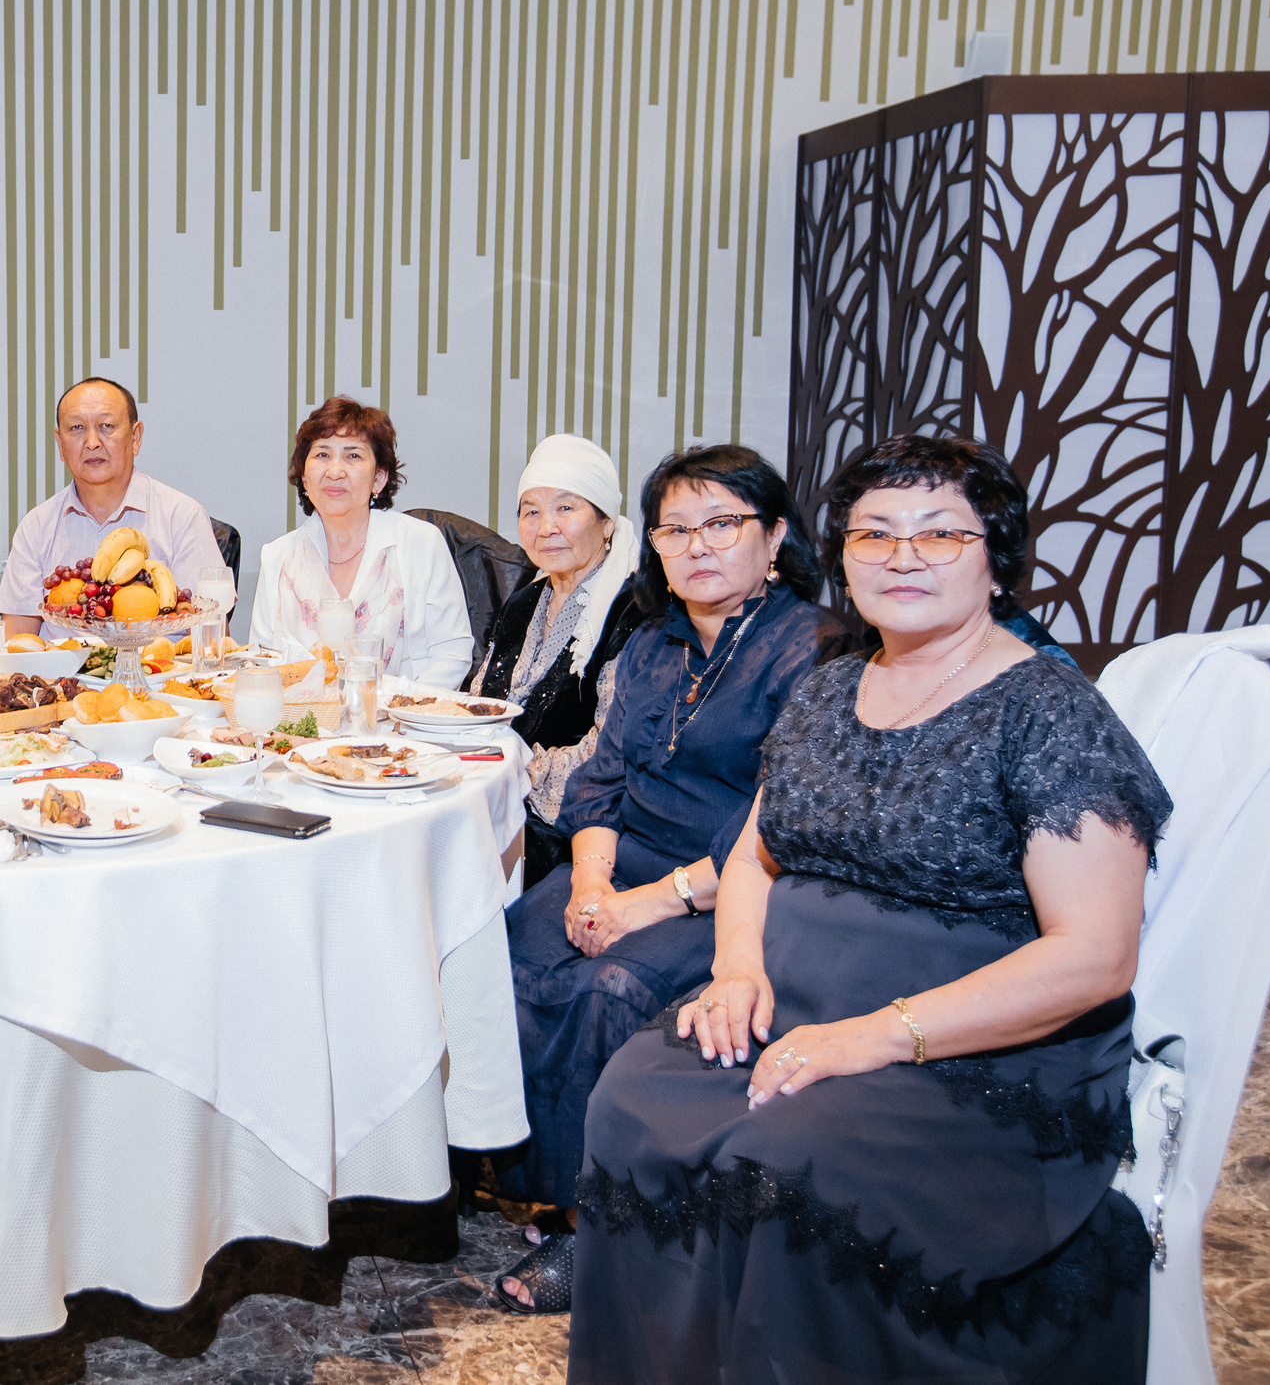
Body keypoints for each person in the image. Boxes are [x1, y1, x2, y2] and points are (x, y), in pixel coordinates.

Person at [570, 435, 1168, 1382]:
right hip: (792, 1005)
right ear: (841, 555)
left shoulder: (1051, 715)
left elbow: (1095, 955)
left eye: (939, 535)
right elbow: (755, 858)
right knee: (632, 1104)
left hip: (973, 1056)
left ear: (996, 558)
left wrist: (879, 1036)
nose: (901, 556)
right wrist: (736, 969)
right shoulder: (830, 686)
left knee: (788, 1156)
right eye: (875, 534)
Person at [491, 444, 848, 1313]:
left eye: (722, 524)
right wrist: (588, 887)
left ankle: (594, 1227)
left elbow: (773, 828)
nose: (697, 546)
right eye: (676, 528)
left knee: (611, 986)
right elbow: (600, 782)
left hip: (731, 888)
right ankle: (522, 1177)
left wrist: (640, 907)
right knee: (499, 951)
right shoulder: (654, 644)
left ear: (773, 540)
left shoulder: (816, 650)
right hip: (621, 869)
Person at [468, 434, 648, 883]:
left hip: (572, 826)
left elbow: (612, 749)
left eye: (565, 508)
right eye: (531, 511)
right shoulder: (526, 600)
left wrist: (514, 770)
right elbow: (478, 702)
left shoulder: (635, 612)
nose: (545, 526)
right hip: (494, 794)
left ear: (606, 522)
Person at [247, 395, 472, 686]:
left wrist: (403, 709)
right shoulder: (277, 556)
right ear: (304, 478)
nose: (335, 471)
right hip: (303, 724)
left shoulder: (421, 544)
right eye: (322, 455)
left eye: (353, 455)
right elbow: (261, 660)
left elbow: (452, 652)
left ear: (379, 478)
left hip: (401, 723)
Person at [0, 377, 228, 636]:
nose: (92, 442)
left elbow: (211, 639)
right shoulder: (36, 527)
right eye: (76, 428)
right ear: (60, 444)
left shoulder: (182, 516)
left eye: (106, 426)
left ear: (135, 437)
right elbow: (17, 644)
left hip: (162, 673)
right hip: (62, 675)